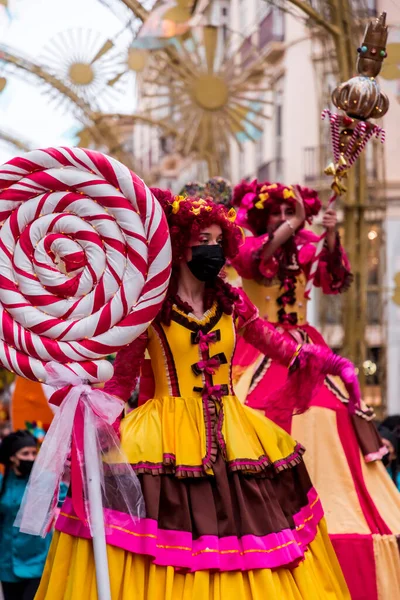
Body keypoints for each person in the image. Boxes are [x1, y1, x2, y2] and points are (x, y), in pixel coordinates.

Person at [231, 179, 400, 600]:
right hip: (260, 346)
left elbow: (333, 278)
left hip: (308, 347)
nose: (285, 220)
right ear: (262, 217)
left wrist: (331, 232)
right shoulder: (247, 247)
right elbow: (261, 260)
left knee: (333, 415)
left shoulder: (307, 244)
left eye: (290, 212)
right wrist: (299, 224)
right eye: (277, 214)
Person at [0, 430, 62, 600]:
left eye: (34, 453)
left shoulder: (46, 479)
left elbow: (67, 499)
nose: (31, 457)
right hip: (7, 561)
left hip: (38, 560)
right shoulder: (2, 481)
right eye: (25, 453)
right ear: (12, 457)